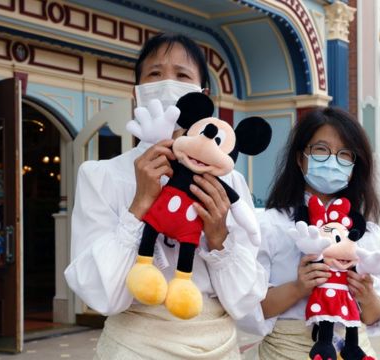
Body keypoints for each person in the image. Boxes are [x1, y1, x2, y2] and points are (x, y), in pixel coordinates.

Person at [64, 33, 266, 359]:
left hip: (215, 345)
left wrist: (218, 238)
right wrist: (139, 206)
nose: (167, 83)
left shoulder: (229, 181)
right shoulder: (101, 175)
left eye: (182, 75)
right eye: (155, 74)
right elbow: (102, 297)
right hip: (133, 347)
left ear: (202, 96)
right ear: (136, 93)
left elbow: (243, 302)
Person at [239, 107, 380, 359]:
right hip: (287, 351)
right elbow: (247, 309)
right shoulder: (269, 225)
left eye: (345, 155)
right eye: (321, 150)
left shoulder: (367, 232)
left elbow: (375, 316)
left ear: (355, 166)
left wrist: (367, 296)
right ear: (300, 158)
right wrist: (299, 287)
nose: (333, 160)